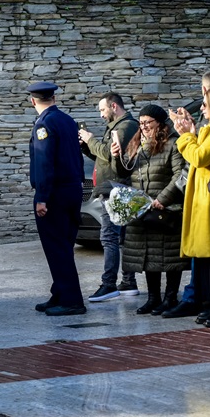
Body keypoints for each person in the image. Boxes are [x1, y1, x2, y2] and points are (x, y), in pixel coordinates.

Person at [110, 105, 190, 315]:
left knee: (170, 256)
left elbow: (180, 174)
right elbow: (123, 173)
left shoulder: (172, 144)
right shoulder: (137, 145)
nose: (144, 127)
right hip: (141, 210)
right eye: (142, 122)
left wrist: (163, 198)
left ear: (160, 123)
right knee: (147, 256)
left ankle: (170, 297)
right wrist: (117, 156)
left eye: (148, 123)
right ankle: (153, 298)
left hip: (165, 209)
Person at [166, 69, 210, 318]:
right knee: (203, 257)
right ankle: (201, 299)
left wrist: (185, 135)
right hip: (202, 197)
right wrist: (192, 131)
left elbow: (200, 157)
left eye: (204, 103)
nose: (201, 108)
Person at [27, 82, 86, 317]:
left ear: (33, 101)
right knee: (64, 246)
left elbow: (44, 162)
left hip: (54, 194)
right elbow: (77, 157)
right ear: (53, 97)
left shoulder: (44, 123)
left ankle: (72, 300)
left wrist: (41, 197)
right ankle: (60, 293)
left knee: (57, 248)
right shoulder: (67, 120)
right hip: (72, 190)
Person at [78, 92, 140, 303]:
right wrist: (86, 146)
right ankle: (128, 283)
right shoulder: (115, 127)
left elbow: (109, 154)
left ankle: (109, 284)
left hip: (116, 189)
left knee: (109, 237)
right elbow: (103, 157)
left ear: (114, 106)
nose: (102, 115)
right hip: (111, 188)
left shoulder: (126, 127)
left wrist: (91, 139)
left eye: (103, 110)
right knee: (120, 237)